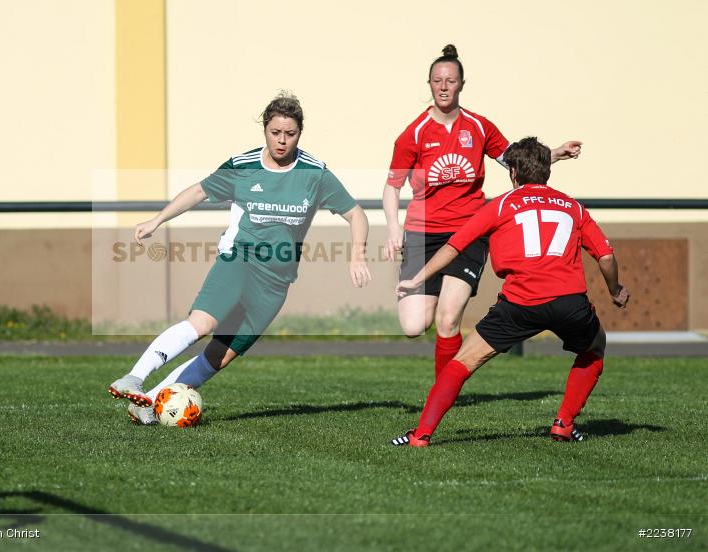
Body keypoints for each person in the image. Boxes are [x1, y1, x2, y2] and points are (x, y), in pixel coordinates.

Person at [109, 92, 371, 424]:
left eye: (290, 134)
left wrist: (358, 254)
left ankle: (147, 402)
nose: (282, 140)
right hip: (239, 261)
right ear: (265, 129)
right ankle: (135, 376)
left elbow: (356, 214)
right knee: (203, 324)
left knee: (221, 355)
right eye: (275, 132)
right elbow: (199, 191)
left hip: (276, 281)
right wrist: (157, 220)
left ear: (299, 134)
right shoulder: (244, 166)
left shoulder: (314, 173)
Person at [390, 136, 629, 447]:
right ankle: (563, 424)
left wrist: (416, 278)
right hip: (569, 302)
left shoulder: (501, 204)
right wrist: (615, 289)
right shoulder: (573, 207)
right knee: (595, 347)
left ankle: (420, 435)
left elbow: (454, 246)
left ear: (514, 173)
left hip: (519, 303)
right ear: (547, 171)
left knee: (462, 362)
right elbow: (606, 257)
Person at [383, 44, 583, 377]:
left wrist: (556, 153)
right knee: (414, 324)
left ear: (461, 84)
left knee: (448, 318)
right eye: (437, 81)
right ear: (429, 85)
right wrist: (393, 228)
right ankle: (445, 376)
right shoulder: (413, 134)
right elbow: (392, 186)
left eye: (450, 80)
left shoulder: (478, 127)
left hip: (468, 232)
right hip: (423, 234)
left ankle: (444, 390)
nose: (444, 86)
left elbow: (517, 161)